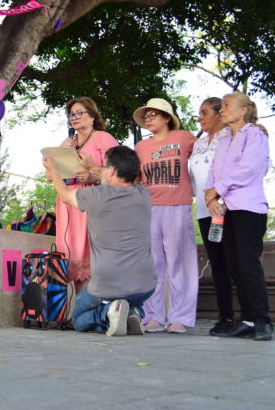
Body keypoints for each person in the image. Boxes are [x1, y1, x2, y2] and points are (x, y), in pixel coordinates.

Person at [43, 146, 156, 336]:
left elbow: (64, 195)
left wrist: (54, 170)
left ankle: (107, 314)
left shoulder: (97, 195)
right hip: (145, 286)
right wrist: (93, 167)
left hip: (108, 284)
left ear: (110, 171)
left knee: (78, 319)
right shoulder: (143, 195)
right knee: (129, 299)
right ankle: (133, 312)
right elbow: (120, 175)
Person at [204, 92, 273, 341]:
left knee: (248, 264)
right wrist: (211, 198)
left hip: (248, 208)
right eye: (221, 106)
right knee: (234, 266)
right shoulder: (223, 139)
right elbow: (214, 171)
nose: (222, 110)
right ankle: (247, 320)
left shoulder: (255, 134)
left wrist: (217, 190)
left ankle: (263, 320)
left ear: (243, 110)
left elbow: (249, 168)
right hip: (226, 209)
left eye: (226, 106)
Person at [133, 98, 197, 333]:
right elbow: (133, 177)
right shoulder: (140, 147)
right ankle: (154, 316)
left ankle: (181, 317)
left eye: (153, 115)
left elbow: (208, 153)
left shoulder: (184, 138)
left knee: (180, 264)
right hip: (149, 208)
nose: (148, 120)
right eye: (146, 116)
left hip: (177, 205)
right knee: (153, 266)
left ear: (167, 117)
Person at [54, 97, 119, 294]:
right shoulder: (70, 143)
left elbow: (118, 172)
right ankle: (82, 309)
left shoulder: (103, 138)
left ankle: (97, 309)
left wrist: (93, 175)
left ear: (92, 116)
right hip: (68, 204)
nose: (74, 117)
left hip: (93, 203)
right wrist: (60, 153)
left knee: (92, 256)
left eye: (79, 113)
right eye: (71, 114)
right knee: (72, 253)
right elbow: (54, 174)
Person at [188, 97, 235, 336]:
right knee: (217, 263)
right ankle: (225, 316)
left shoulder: (232, 137)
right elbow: (194, 177)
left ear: (220, 113)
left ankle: (250, 317)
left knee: (236, 262)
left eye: (205, 112)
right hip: (205, 211)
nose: (200, 117)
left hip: (229, 207)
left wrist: (218, 197)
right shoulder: (199, 143)